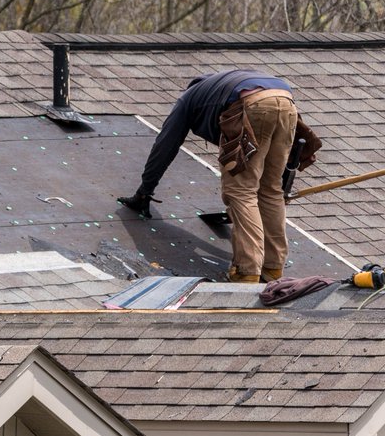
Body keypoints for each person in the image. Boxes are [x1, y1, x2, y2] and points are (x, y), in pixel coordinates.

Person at [117, 70, 319, 283]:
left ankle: (247, 270)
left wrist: (144, 191)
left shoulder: (189, 99)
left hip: (252, 105)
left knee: (241, 191)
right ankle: (272, 268)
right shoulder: (220, 88)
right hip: (287, 102)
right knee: (270, 190)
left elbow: (165, 145)